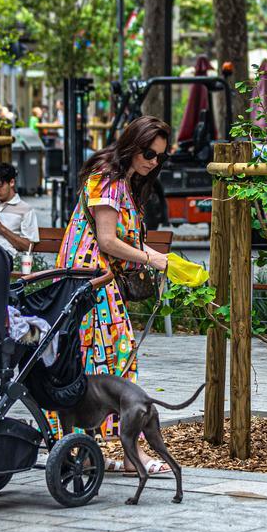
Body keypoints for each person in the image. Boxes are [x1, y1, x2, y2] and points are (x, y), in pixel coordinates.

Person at [55, 115, 172, 475]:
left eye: (159, 157)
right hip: (91, 280)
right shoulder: (107, 178)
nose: (153, 162)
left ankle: (87, 449)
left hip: (95, 280)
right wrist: (150, 258)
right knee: (110, 358)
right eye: (149, 153)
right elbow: (106, 240)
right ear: (132, 144)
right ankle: (123, 453)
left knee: (93, 359)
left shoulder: (122, 181)